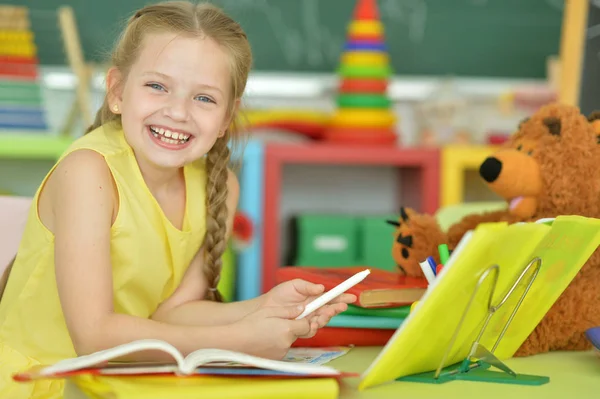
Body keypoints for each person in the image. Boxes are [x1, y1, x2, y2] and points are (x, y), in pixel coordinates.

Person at [0, 2, 355, 398]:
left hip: (116, 380)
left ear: (226, 119)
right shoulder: (89, 173)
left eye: (204, 98)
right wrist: (240, 340)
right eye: (157, 86)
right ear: (117, 91)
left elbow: (173, 313)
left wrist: (263, 310)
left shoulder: (220, 187)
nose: (177, 112)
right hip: (40, 383)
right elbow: (93, 335)